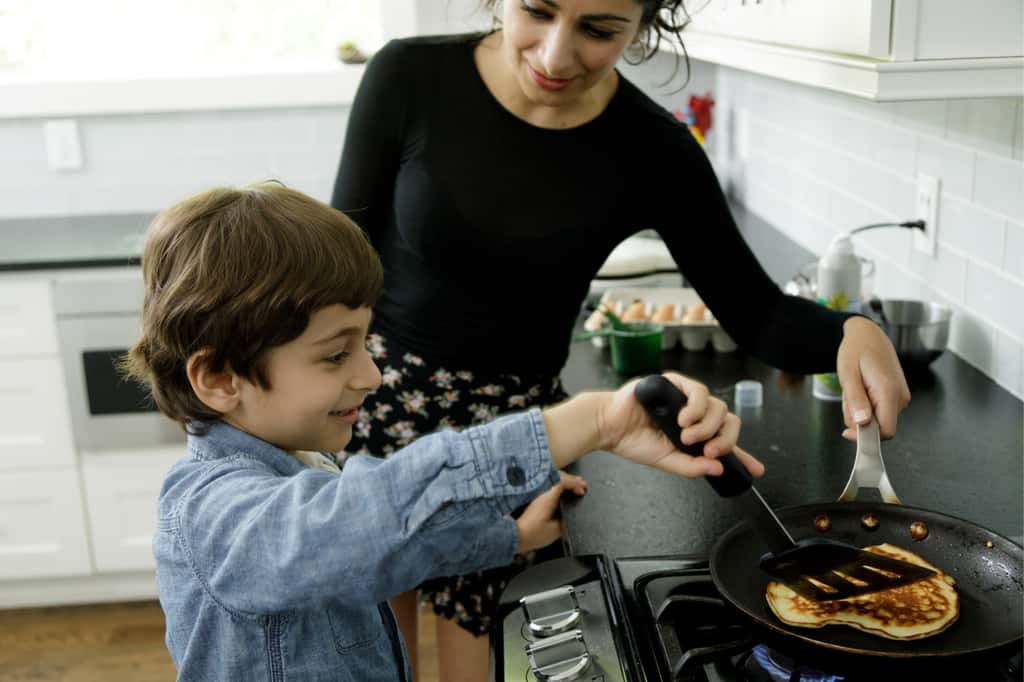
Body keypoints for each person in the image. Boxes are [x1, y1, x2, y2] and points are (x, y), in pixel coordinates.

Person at [329, 0, 911, 678]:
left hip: (527, 433)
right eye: (537, 11)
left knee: (481, 665)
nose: (553, 54)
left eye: (599, 29)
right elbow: (340, 264)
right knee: (374, 660)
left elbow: (756, 314)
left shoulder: (653, 147)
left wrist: (854, 328)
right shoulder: (409, 74)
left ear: (644, 25)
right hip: (379, 409)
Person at [121, 182, 763, 681]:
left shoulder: (299, 462)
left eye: (364, 345)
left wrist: (501, 535)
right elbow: (358, 522)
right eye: (335, 355)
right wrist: (588, 421)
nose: (372, 374)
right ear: (220, 378)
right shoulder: (211, 511)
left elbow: (372, 556)